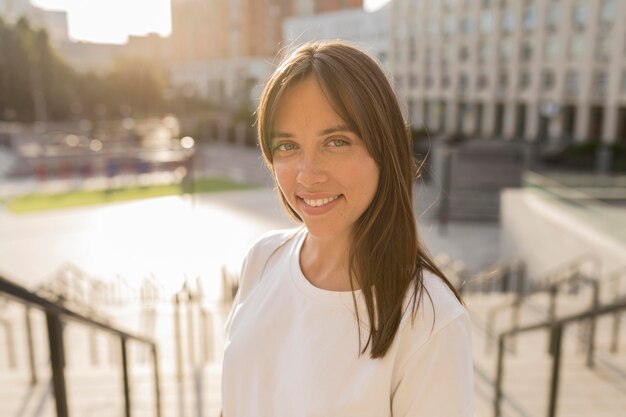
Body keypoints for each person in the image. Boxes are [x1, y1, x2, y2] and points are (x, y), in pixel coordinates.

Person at [221, 41, 474, 417]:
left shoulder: (430, 320)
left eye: (336, 142)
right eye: (288, 145)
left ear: (383, 149)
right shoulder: (262, 260)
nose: (308, 174)